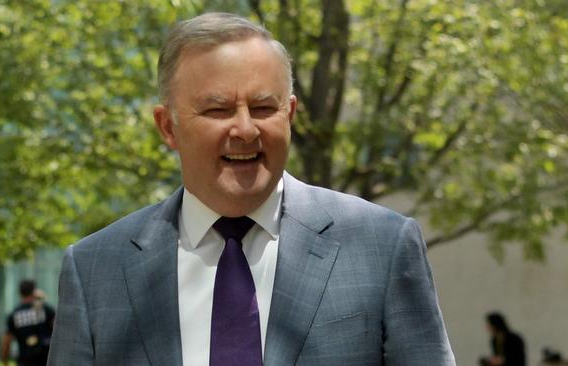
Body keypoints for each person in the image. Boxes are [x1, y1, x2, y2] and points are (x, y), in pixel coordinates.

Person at [48, 12, 455, 365]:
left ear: (290, 114)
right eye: (218, 110)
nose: (245, 129)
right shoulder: (96, 270)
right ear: (168, 127)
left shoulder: (379, 246)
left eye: (263, 108)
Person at [1, 280, 55, 366]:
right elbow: (58, 330)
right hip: (46, 360)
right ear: (34, 291)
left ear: (20, 293)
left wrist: (5, 362)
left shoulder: (14, 314)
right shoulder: (45, 309)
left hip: (24, 361)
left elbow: (6, 342)